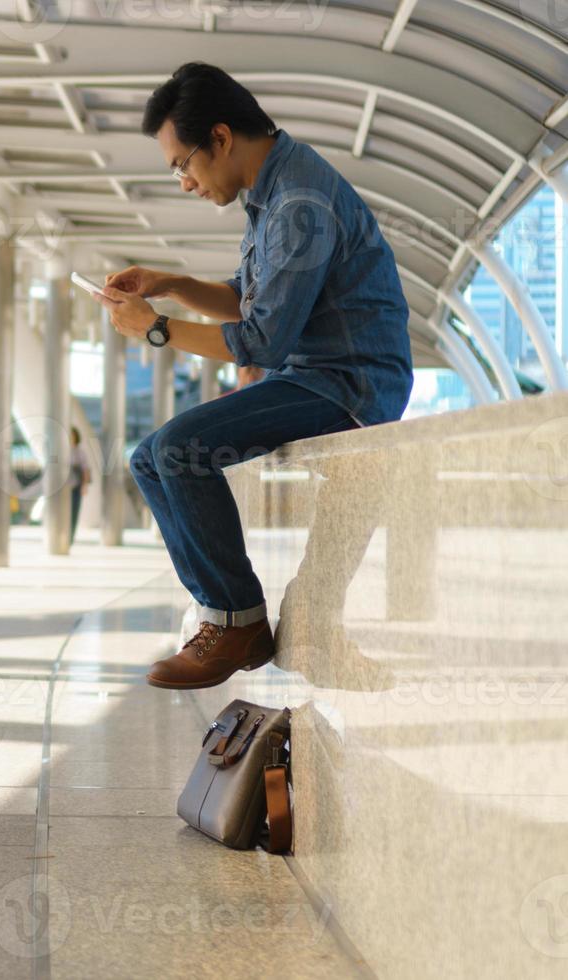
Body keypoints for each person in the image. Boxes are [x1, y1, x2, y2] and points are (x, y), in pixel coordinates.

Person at [95, 63, 412, 690]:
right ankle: (229, 617)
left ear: (220, 136)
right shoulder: (275, 188)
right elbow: (252, 298)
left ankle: (236, 622)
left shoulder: (297, 202)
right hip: (315, 373)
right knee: (149, 458)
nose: (184, 181)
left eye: (182, 163)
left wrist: (157, 328)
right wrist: (173, 285)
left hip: (349, 382)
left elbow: (262, 340)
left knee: (179, 450)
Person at [67, 426, 90, 548]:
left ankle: (70, 537)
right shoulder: (62, 450)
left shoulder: (79, 452)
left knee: (73, 512)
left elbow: (85, 470)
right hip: (63, 489)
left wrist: (84, 486)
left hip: (75, 486)